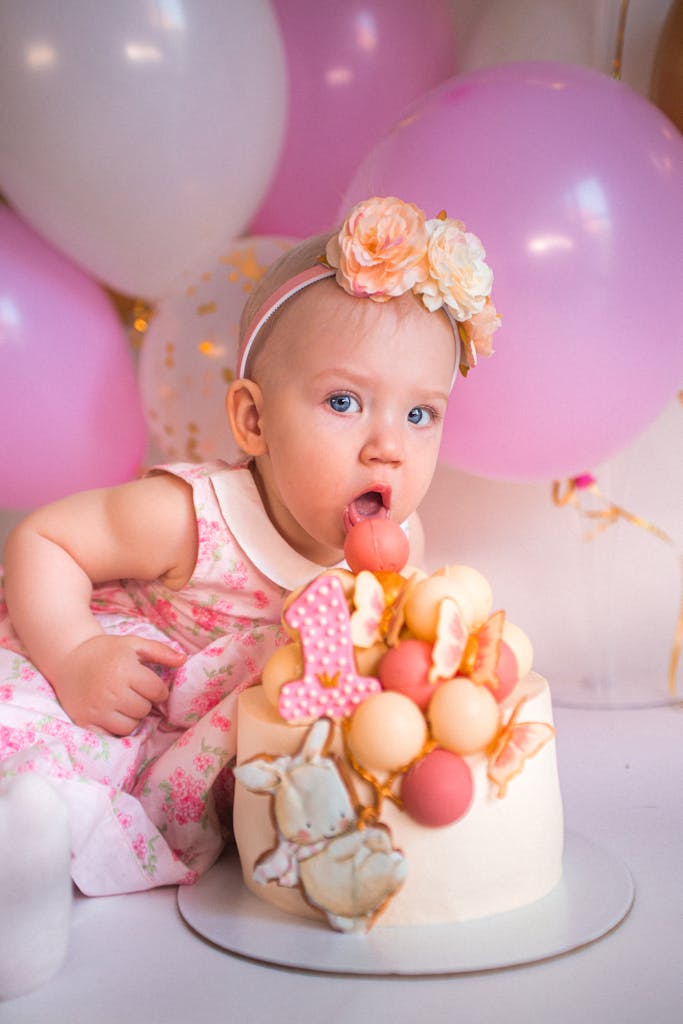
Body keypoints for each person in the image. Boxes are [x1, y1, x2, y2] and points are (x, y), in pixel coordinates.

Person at [0, 196, 499, 988]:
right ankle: (19, 876)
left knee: (139, 818)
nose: (388, 447)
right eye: (344, 402)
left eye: (419, 414)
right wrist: (75, 654)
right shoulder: (191, 515)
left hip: (195, 752)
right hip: (108, 689)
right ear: (252, 420)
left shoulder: (394, 559)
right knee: (47, 763)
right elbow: (44, 539)